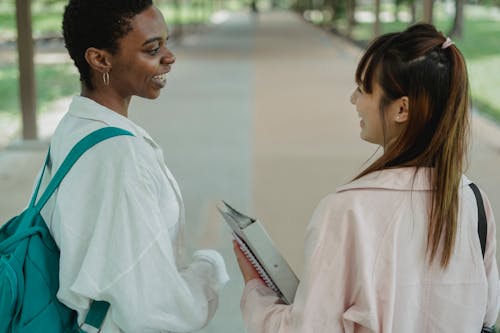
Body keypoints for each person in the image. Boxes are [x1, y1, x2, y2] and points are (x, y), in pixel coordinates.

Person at [233, 23, 499, 332]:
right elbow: (487, 312)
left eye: (363, 89)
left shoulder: (348, 210)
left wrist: (256, 292)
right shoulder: (473, 201)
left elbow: (310, 328)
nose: (353, 100)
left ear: (401, 109)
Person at [34, 1, 229, 332]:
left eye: (165, 42)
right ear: (100, 59)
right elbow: (150, 308)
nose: (169, 57)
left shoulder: (76, 126)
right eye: (152, 49)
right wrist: (209, 268)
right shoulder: (120, 156)